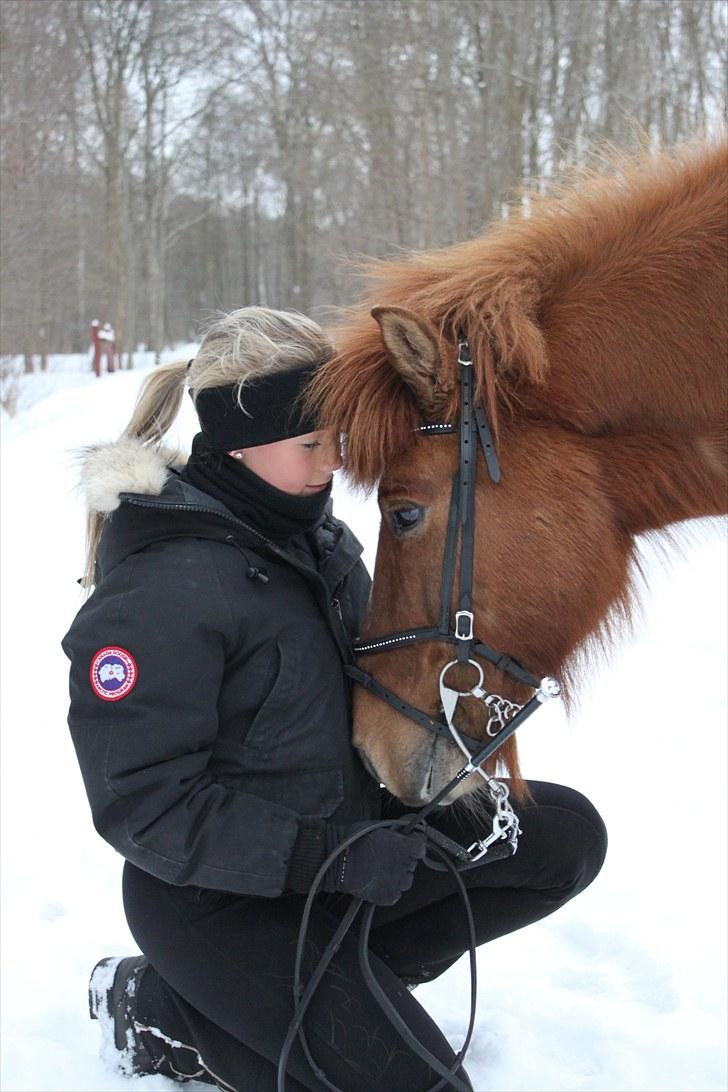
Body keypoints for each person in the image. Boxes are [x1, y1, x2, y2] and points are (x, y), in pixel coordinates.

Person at [63, 306, 608, 1092]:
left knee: (564, 838)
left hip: (349, 855)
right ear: (237, 439)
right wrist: (329, 858)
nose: (333, 465)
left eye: (338, 441)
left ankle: (320, 1000)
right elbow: (142, 805)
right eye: (312, 444)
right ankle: (170, 1012)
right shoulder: (159, 591)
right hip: (224, 904)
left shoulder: (312, 541)